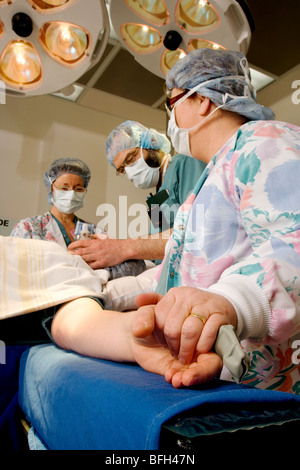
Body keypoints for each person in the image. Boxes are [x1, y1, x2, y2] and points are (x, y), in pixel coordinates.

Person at [49, 47, 300, 394]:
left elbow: (293, 244)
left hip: (263, 387)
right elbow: (182, 271)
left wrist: (234, 302)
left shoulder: (264, 142)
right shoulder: (211, 180)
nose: (170, 118)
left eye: (173, 102)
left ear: (204, 101)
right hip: (206, 374)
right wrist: (108, 295)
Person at [68, 121, 206, 269]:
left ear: (151, 143)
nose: (129, 171)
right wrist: (112, 248)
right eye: (122, 169)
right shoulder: (155, 200)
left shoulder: (185, 164)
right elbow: (160, 245)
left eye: (131, 158)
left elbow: (197, 232)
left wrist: (122, 248)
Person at [10, 157, 146, 280]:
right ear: (51, 189)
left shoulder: (95, 232)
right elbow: (13, 269)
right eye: (64, 188)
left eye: (78, 189)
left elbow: (134, 265)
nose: (71, 194)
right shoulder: (28, 228)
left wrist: (93, 275)